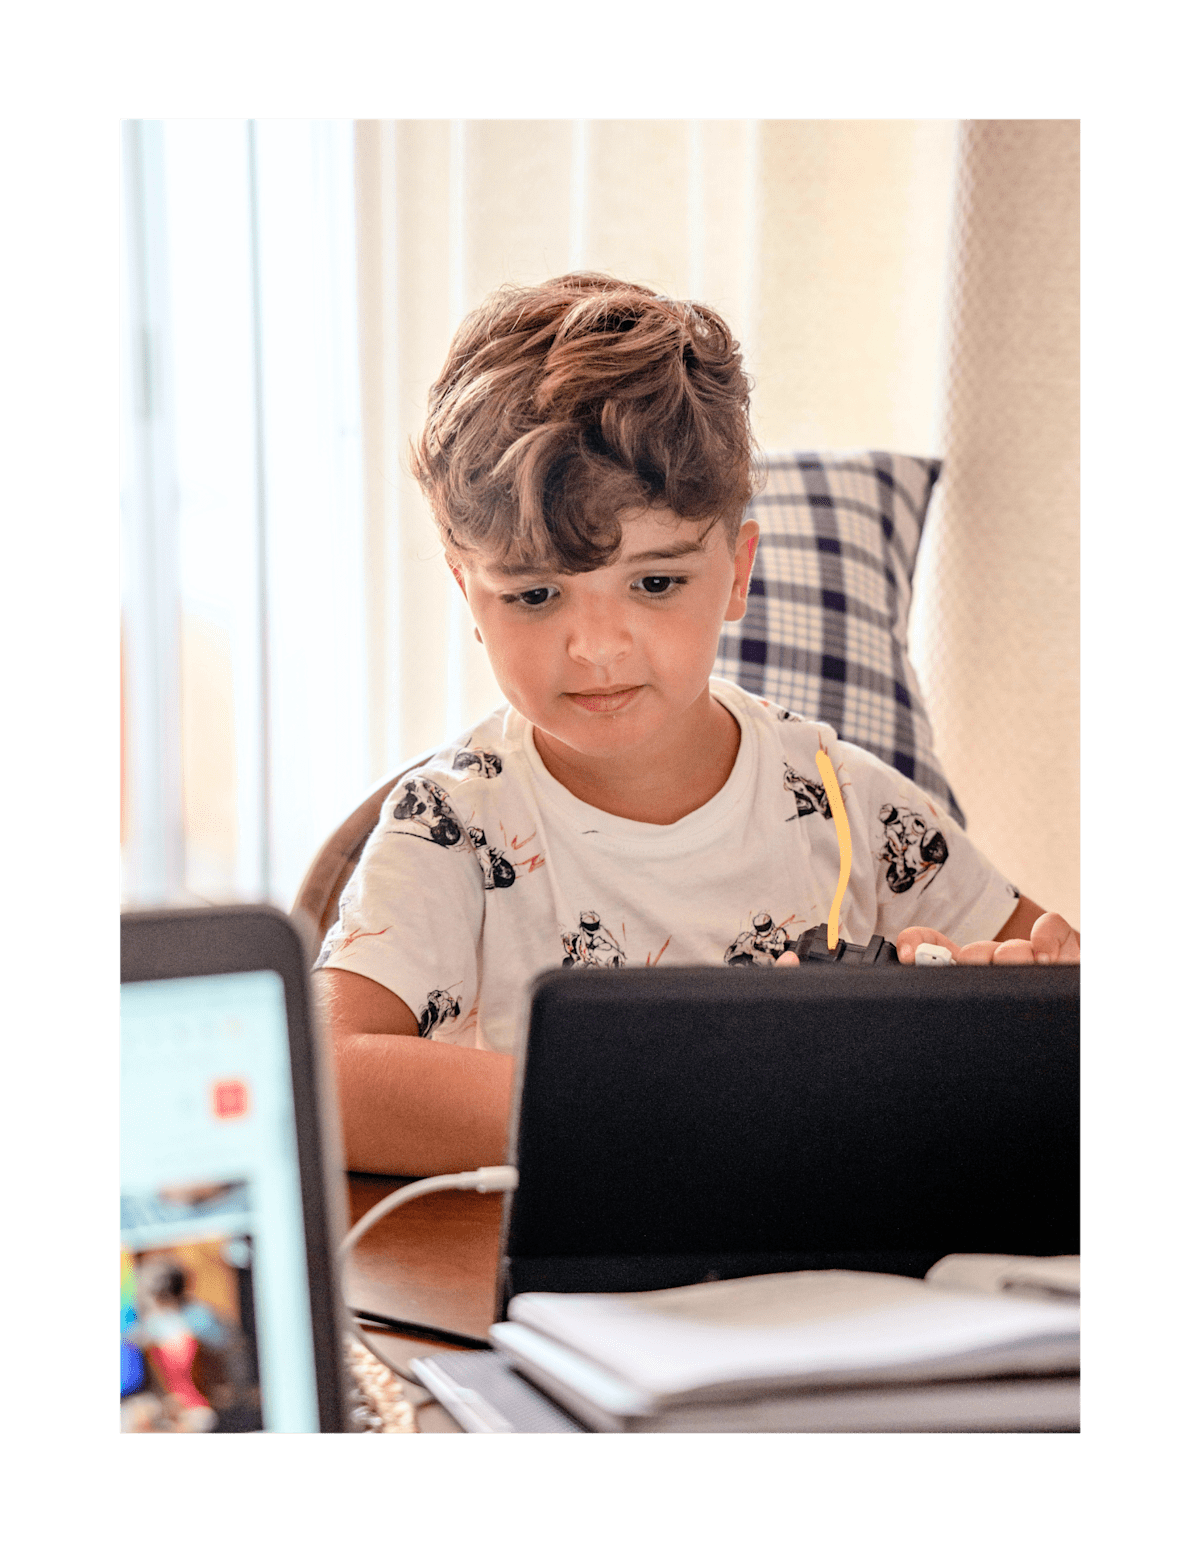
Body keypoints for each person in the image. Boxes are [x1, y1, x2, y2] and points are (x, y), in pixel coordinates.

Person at [316, 273, 1080, 1177]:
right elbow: (324, 1077)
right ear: (466, 590)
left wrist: (989, 1028)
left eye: (654, 582)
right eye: (535, 594)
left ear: (738, 571)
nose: (596, 648)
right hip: (549, 1269)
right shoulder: (453, 822)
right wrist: (694, 1100)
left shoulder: (845, 801)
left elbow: (1063, 1011)